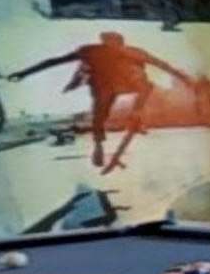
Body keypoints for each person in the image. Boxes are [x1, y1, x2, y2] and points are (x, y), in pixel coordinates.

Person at [12, 29, 197, 173]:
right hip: (112, 86)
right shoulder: (98, 51)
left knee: (121, 98)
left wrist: (24, 73)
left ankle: (123, 124)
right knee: (133, 91)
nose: (115, 49)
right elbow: (163, 65)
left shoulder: (104, 51)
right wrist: (186, 80)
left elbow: (53, 61)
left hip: (114, 86)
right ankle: (104, 140)